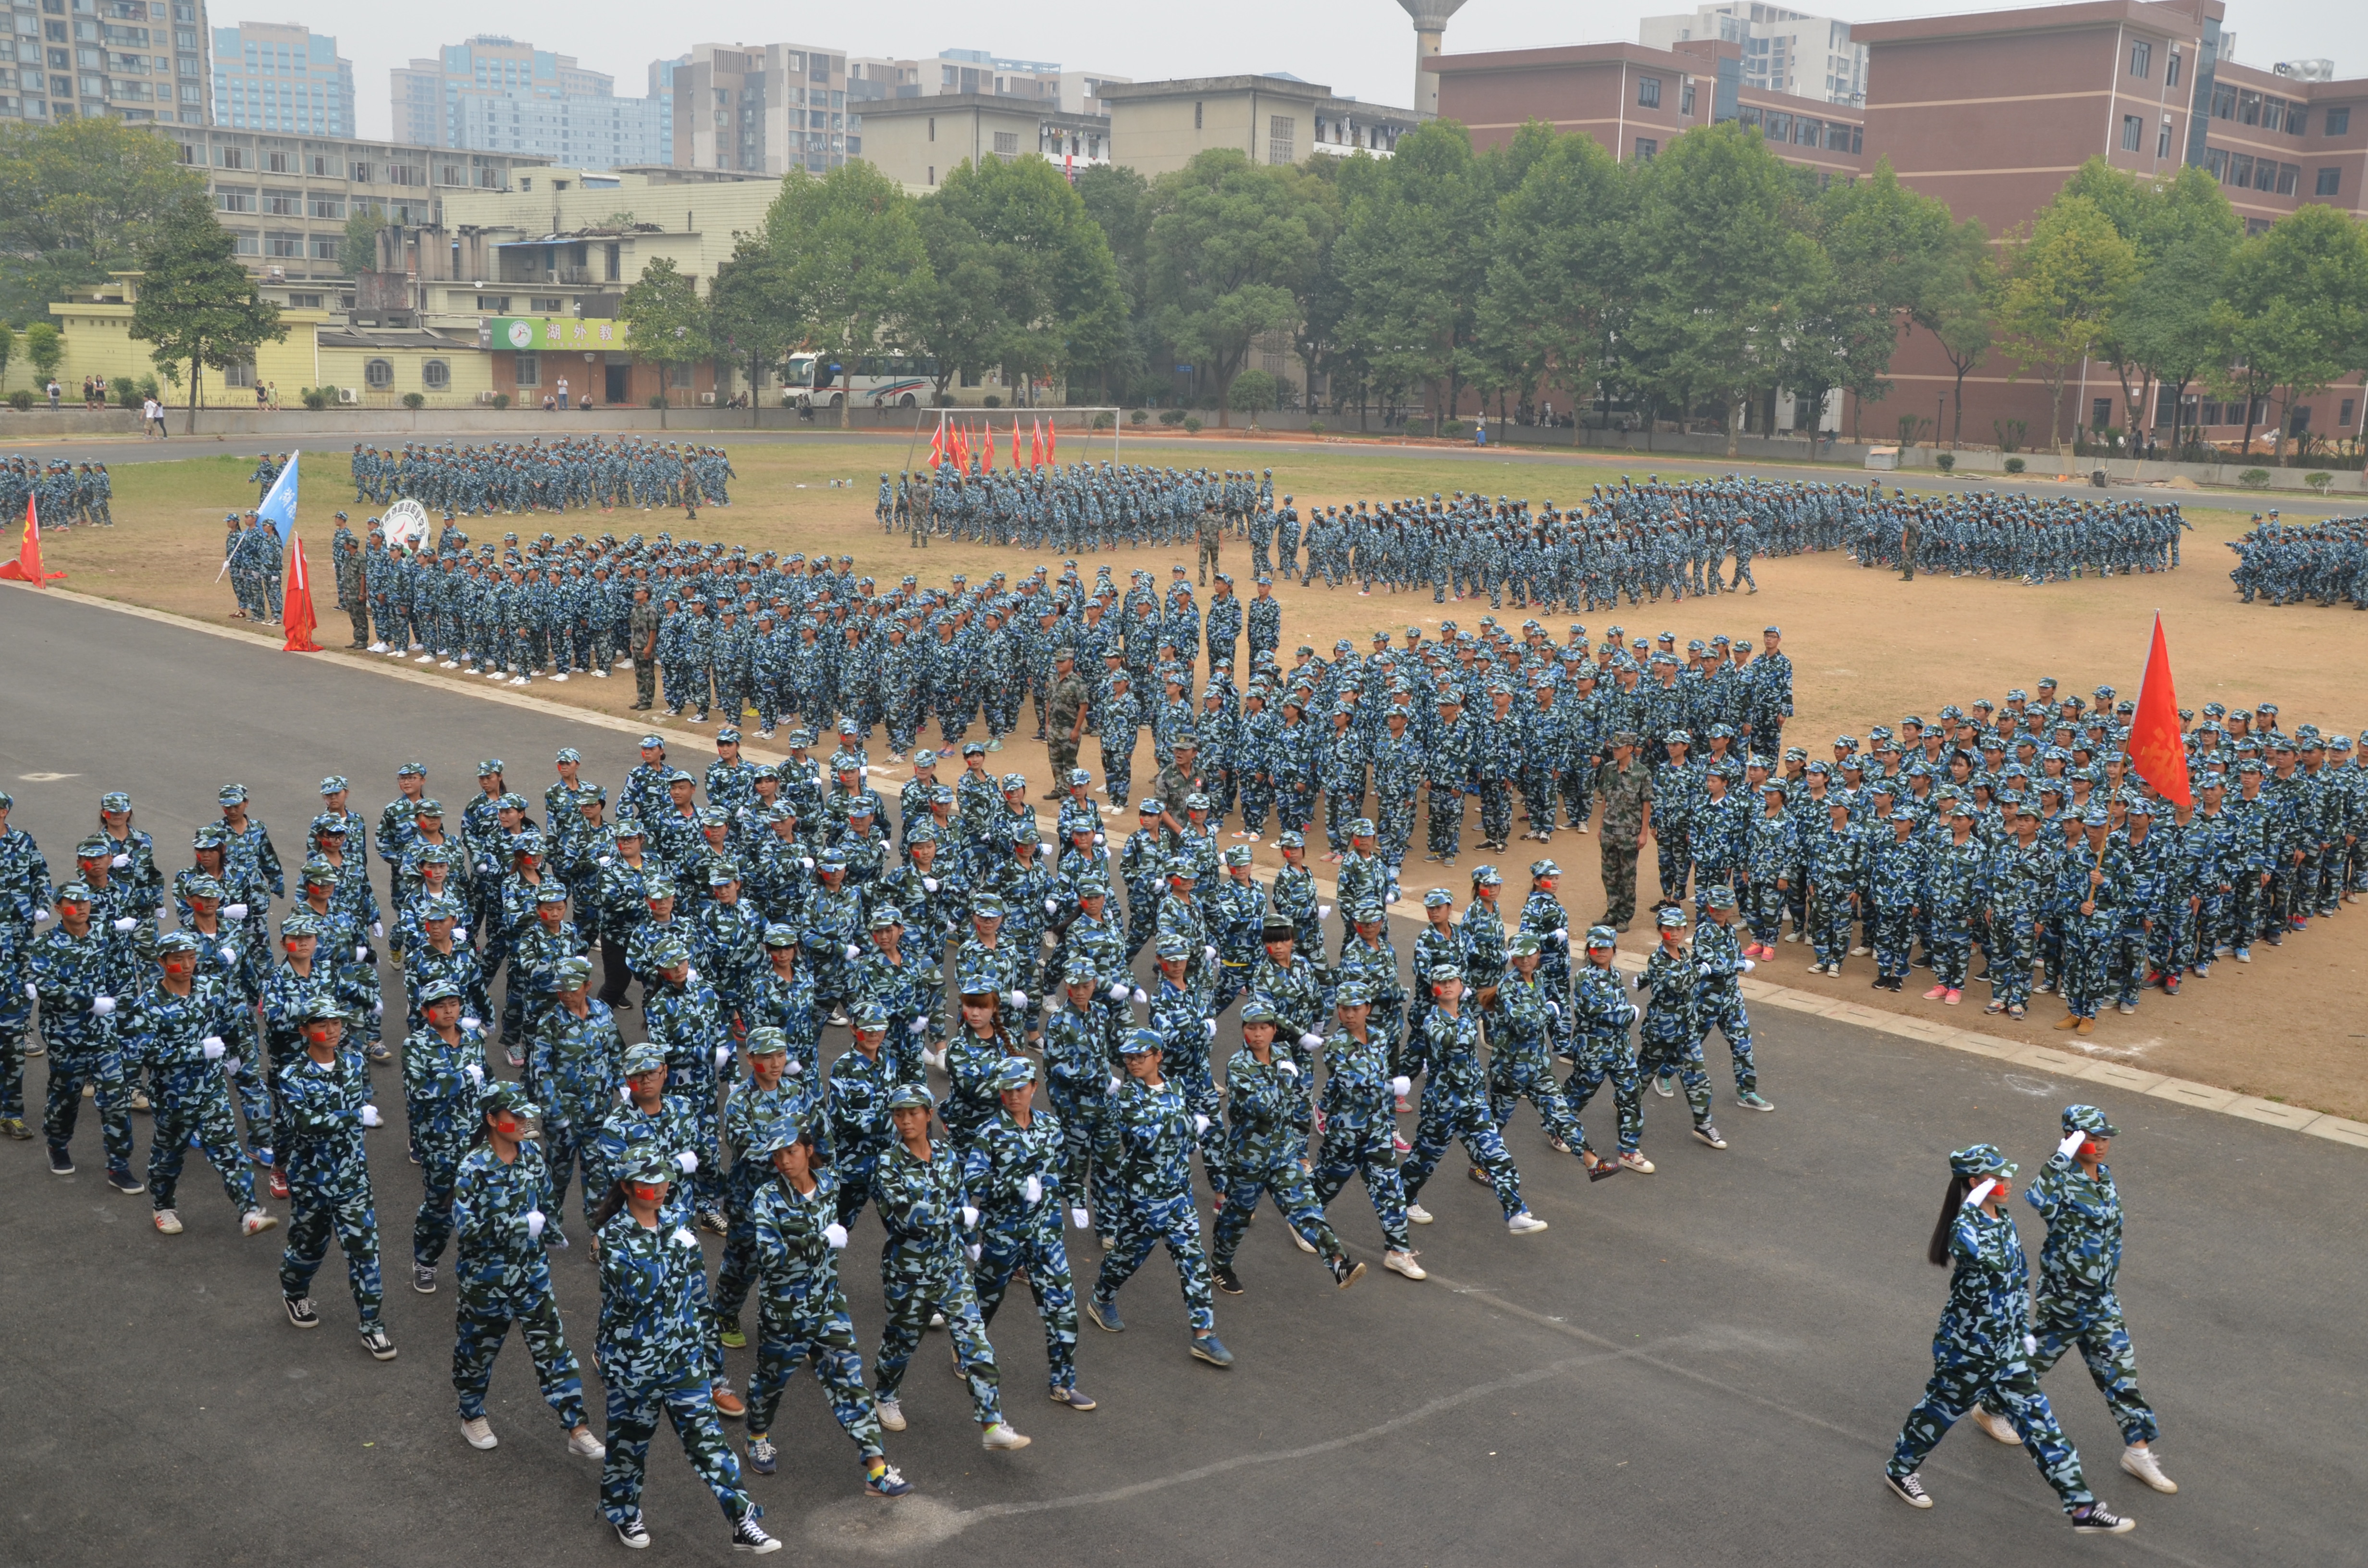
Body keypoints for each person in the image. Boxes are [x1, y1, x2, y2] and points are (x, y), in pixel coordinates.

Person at [1883, 1143, 2133, 1533]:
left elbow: (2017, 1281)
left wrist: (2021, 1332)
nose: (2007, 1182)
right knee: (1939, 1411)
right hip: (1968, 1349)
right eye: (1997, 1177)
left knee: (2041, 1424)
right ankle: (1900, 1471)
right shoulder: (1965, 1229)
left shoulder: (2003, 1219)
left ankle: (2082, 1508)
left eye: (2006, 1174)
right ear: (1974, 1183)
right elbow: (1983, 1260)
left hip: (2007, 1349)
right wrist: (1969, 1212)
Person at [1969, 1106, 2177, 1495]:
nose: (2100, 1146)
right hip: (2066, 1300)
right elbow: (2033, 1197)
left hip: (2101, 1299)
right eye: (2091, 1138)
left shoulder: (2103, 1177)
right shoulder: (2060, 1179)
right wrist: (2062, 1155)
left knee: (2121, 1374)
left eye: (2104, 1138)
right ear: (2071, 1137)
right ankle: (1989, 1406)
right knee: (2031, 1365)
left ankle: (2138, 1451)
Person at [594, 1148, 779, 1553]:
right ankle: (623, 1513)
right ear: (626, 1188)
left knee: (709, 1442)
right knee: (628, 1446)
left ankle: (742, 1519)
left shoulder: (677, 1222)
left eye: (663, 1180)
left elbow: (698, 1295)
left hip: (683, 1360)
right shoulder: (612, 1236)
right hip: (634, 1364)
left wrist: (711, 1363)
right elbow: (640, 1290)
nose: (660, 1188)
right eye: (648, 1182)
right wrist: (677, 1249)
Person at [739, 1115, 913, 1495]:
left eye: (792, 1151)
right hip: (785, 1313)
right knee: (771, 1382)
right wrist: (821, 1240)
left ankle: (877, 1469)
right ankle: (756, 1434)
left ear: (808, 1150)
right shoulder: (768, 1198)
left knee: (850, 1383)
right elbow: (771, 1256)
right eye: (779, 1155)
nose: (785, 1161)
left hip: (829, 1305)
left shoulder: (831, 1184)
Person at [867, 1082, 1033, 1448]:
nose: (906, 1120)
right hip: (909, 1272)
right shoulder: (887, 1163)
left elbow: (961, 1198)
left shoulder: (945, 1155)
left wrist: (971, 1241)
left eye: (913, 1113)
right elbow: (904, 1216)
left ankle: (992, 1424)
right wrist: (956, 1216)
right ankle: (885, 1394)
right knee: (901, 1344)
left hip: (951, 1268)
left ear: (929, 1114)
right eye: (899, 1114)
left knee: (976, 1344)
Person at [451, 1081, 605, 1459]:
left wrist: (551, 1232)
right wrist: (521, 1226)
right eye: (514, 1115)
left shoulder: (532, 1156)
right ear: (491, 1119)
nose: (524, 1120)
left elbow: (546, 1200)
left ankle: (577, 1427)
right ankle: (472, 1415)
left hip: (532, 1275)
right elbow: (466, 1228)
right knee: (476, 1353)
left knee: (554, 1351)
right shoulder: (473, 1166)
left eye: (525, 1113)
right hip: (486, 1281)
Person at [1086, 1027, 1233, 1366]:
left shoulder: (1177, 1087)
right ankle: (1102, 1297)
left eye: (1141, 1056)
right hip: (1143, 1196)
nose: (1134, 1062)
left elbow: (1184, 1131)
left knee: (1193, 1262)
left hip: (1178, 1192)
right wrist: (1187, 1125)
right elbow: (1148, 1134)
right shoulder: (1126, 1096)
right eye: (1129, 1057)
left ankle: (1204, 1335)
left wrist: (1188, 1128)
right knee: (1128, 1257)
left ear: (1158, 1057)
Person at [276, 997, 396, 1360]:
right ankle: (295, 1292)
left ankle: (373, 1327)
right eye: (322, 1024)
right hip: (311, 1178)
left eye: (336, 1024)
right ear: (304, 1031)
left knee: (365, 1251)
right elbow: (304, 1124)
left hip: (352, 1177)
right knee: (309, 1247)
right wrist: (353, 1117)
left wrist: (361, 1115)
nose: (331, 1031)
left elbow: (365, 1102)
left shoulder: (356, 1062)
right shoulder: (291, 1075)